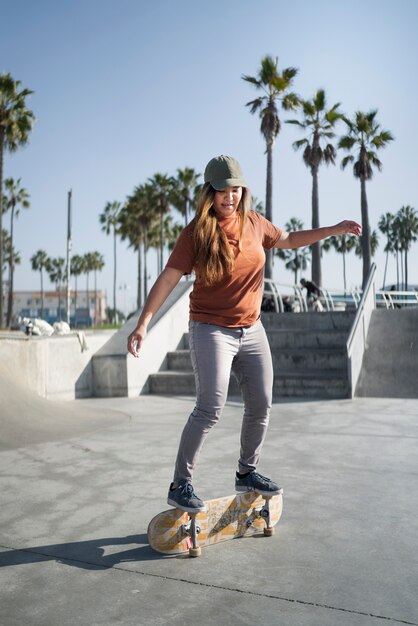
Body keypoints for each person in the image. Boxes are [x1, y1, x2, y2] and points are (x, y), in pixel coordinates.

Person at [127, 155, 361, 513]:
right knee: (210, 408)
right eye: (222, 191)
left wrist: (332, 229)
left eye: (235, 190)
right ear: (209, 193)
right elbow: (168, 278)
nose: (229, 197)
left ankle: (246, 472)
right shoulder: (196, 233)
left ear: (242, 190)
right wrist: (143, 321)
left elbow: (289, 238)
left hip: (252, 329)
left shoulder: (253, 223)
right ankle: (180, 483)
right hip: (211, 329)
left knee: (261, 403)